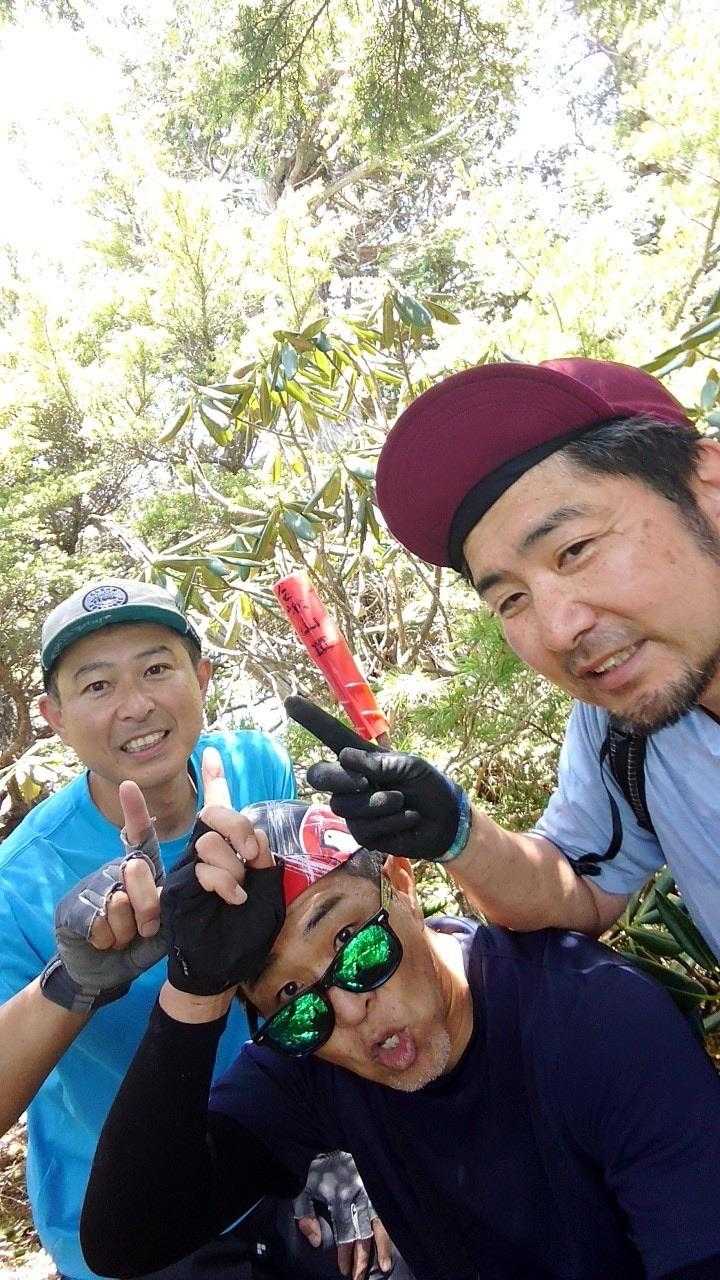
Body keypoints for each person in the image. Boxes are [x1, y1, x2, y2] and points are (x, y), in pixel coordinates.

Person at [79, 785, 720, 1280]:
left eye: (354, 946)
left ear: (402, 886)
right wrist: (194, 990)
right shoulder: (313, 1060)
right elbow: (128, 1239)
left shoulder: (596, 1017)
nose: (347, 1010)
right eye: (293, 998)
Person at [0, 577, 391, 1280]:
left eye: (156, 668)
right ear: (53, 715)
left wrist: (343, 1140)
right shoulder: (22, 879)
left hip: (272, 1157)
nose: (136, 704)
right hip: (131, 1218)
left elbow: (304, 966)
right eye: (97, 685)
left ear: (201, 676)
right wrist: (77, 982)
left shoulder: (253, 767)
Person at [287, 357, 720, 957]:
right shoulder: (623, 732)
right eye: (512, 599)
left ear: (707, 485)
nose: (561, 629)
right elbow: (578, 896)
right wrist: (455, 832)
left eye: (575, 549)